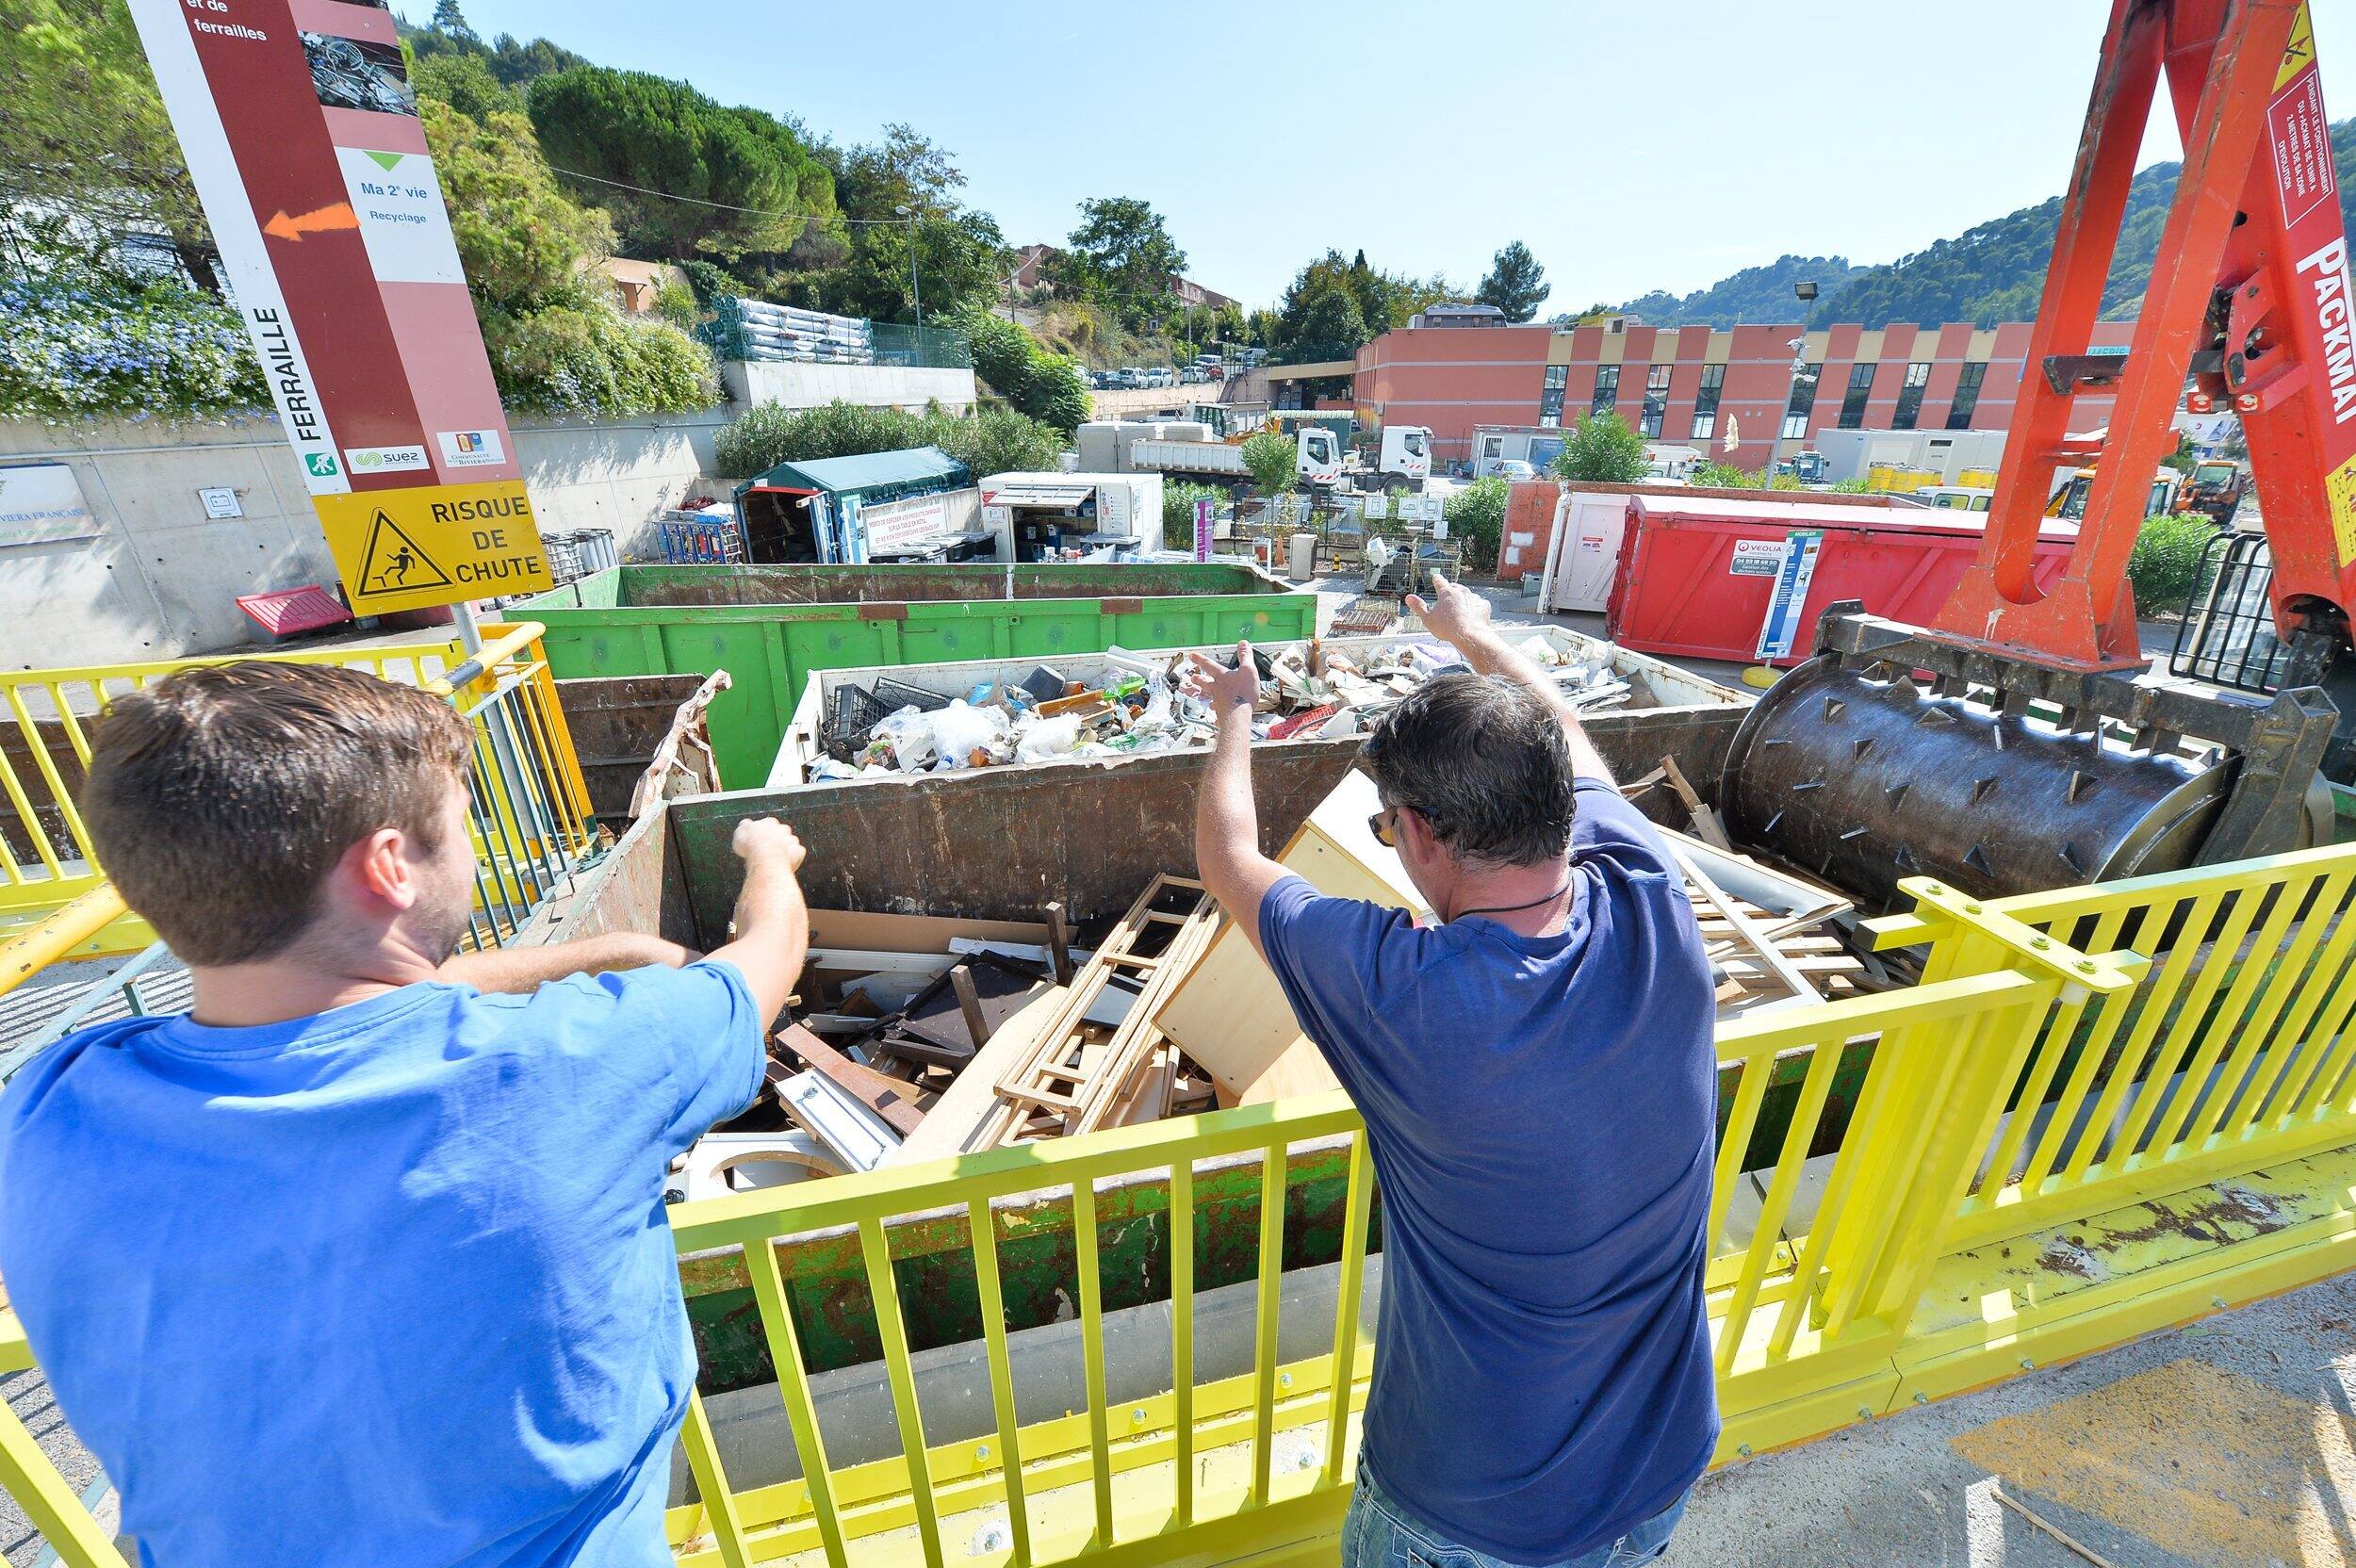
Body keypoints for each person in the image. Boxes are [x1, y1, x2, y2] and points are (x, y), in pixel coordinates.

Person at [0, 661, 810, 1567]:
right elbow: (766, 951)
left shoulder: (44, 1110)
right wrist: (766, 855)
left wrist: (607, 948)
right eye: (460, 826)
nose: (468, 849)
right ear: (389, 866)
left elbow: (326, 1009)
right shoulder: (573, 1062)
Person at [1185, 575, 1719, 1568]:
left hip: (1467, 1511)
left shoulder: (1412, 999)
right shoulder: (1649, 884)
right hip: (1656, 1467)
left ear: (1420, 833)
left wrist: (1235, 715)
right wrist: (1474, 636)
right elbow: (1560, 723)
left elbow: (1228, 857)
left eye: (1388, 827)